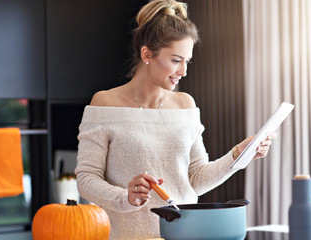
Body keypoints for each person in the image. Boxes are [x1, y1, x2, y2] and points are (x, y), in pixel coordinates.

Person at [75, 0, 276, 239]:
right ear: (147, 54)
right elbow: (87, 178)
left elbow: (195, 179)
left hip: (187, 233)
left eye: (187, 61)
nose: (184, 71)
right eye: (176, 60)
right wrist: (125, 197)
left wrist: (238, 154)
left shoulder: (185, 105)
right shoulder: (105, 103)